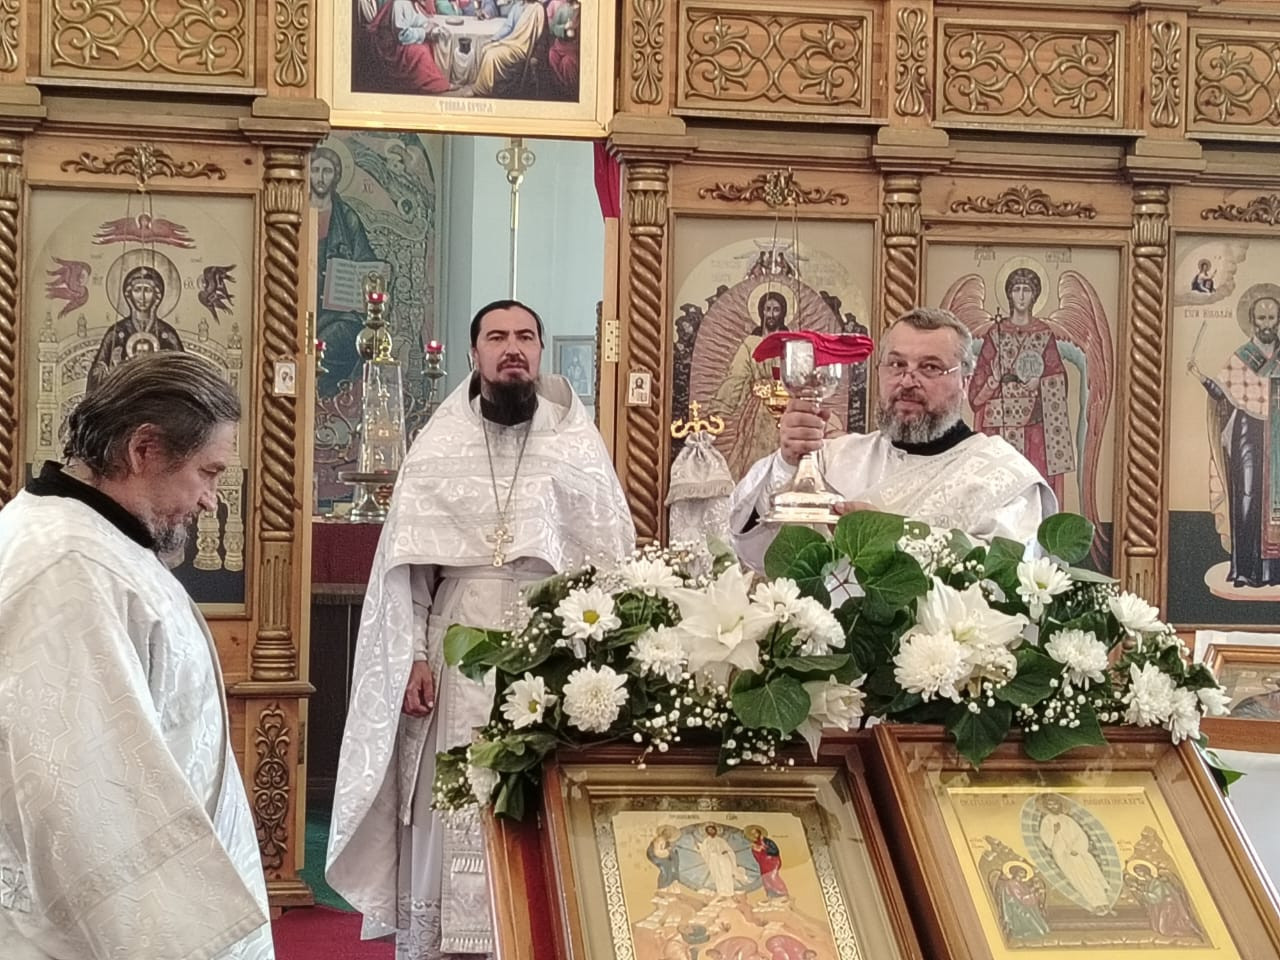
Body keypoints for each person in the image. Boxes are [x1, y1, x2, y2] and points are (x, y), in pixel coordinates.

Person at [327, 299, 635, 959]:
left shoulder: (576, 442)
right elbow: (407, 572)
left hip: (548, 646)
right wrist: (413, 657)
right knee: (451, 800)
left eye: (525, 336)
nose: (512, 348)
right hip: (457, 644)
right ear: (474, 354)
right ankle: (451, 944)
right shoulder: (439, 445)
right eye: (497, 337)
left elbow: (608, 557)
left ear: (540, 351)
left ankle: (533, 935)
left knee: (538, 798)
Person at [0, 354, 273, 958]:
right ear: (144, 449)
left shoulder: (94, 540)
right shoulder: (67, 569)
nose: (211, 500)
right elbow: (84, 793)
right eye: (208, 472)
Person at [730, 306, 1056, 573]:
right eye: (897, 364)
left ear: (966, 382)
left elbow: (1009, 580)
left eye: (930, 367)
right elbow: (758, 554)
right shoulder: (833, 458)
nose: (907, 381)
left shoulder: (1005, 477)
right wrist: (787, 464)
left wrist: (895, 537)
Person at [1191, 284, 1280, 587]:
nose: (1266, 324)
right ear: (1252, 321)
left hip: (1277, 434)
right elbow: (1223, 393)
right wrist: (1201, 377)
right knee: (1247, 497)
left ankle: (1273, 572)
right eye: (1261, 318)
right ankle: (1246, 570)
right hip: (1248, 433)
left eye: (1271, 318)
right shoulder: (1242, 357)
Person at [968, 267, 1074, 505]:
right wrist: (994, 379)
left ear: (1035, 295)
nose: (1022, 295)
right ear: (1009, 294)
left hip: (1034, 429)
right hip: (998, 427)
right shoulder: (995, 334)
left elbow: (1059, 380)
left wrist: (1040, 384)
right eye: (1017, 289)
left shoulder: (1043, 334)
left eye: (1027, 290)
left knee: (1032, 494)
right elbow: (975, 396)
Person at [311, 145, 380, 396]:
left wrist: (369, 278)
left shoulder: (347, 217)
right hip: (299, 304)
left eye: (327, 171)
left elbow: (366, 262)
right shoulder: (295, 212)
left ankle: (327, 401)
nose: (320, 177)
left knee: (342, 338)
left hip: (337, 311)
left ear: (336, 176)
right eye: (315, 170)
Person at [714, 289, 795, 478]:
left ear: (783, 312)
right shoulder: (750, 344)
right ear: (761, 312)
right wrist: (720, 409)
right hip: (759, 411)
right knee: (754, 459)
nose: (771, 314)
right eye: (768, 309)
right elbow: (736, 376)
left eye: (776, 309)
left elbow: (800, 376)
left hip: (786, 410)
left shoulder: (791, 343)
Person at [87, 263, 185, 392]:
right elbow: (96, 377)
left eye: (148, 290)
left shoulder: (167, 335)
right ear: (129, 294)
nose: (142, 297)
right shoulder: (117, 333)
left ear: (157, 295)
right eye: (137, 290)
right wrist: (113, 368)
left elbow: (184, 375)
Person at [468, 0, 547, 97]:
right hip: (512, 42)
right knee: (485, 49)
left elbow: (543, 37)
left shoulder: (538, 9)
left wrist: (536, 56)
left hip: (523, 48)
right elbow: (508, 27)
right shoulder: (517, 7)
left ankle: (482, 90)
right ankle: (483, 84)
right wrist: (493, 39)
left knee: (491, 55)